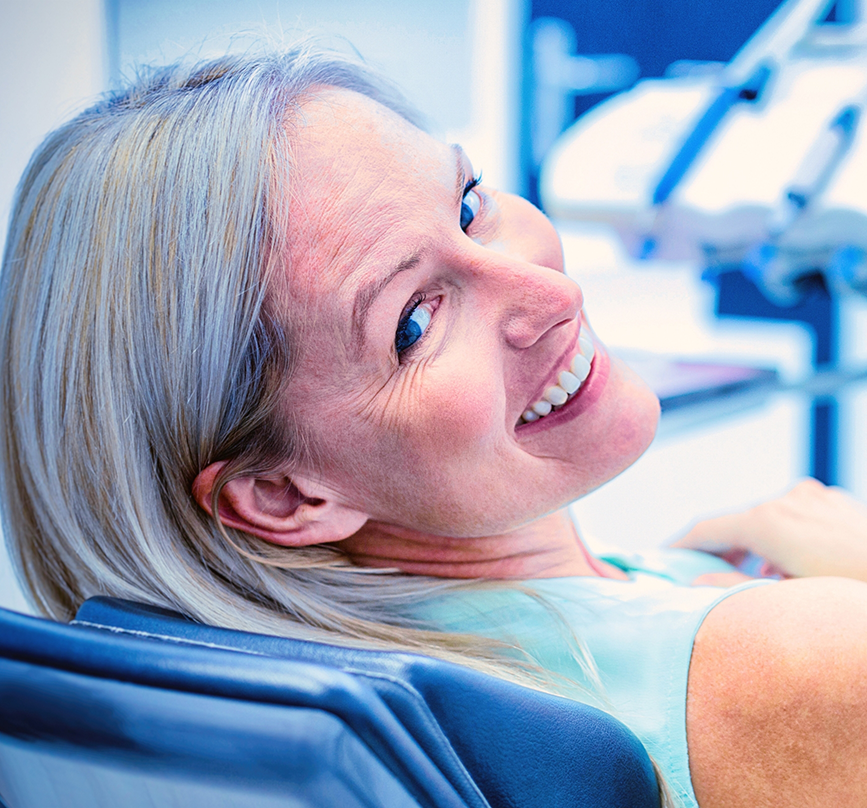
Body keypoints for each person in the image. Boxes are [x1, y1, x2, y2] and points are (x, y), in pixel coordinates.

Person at [2, 45, 867, 808]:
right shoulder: (787, 668)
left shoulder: (390, 710)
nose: (553, 293)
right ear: (284, 495)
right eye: (413, 322)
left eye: (468, 203)